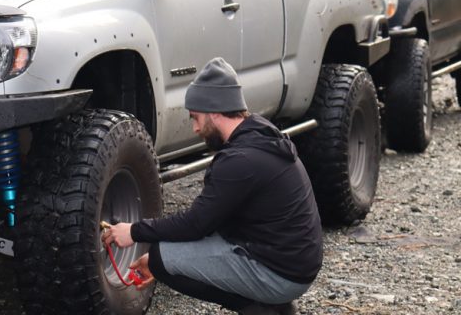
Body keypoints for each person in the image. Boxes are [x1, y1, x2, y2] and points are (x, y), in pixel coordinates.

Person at [102, 57, 323, 315]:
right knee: (165, 256)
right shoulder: (260, 135)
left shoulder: (239, 161)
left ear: (214, 111)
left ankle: (264, 308)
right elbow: (213, 222)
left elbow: (196, 224)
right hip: (293, 264)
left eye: (196, 117)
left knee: (162, 258)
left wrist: (134, 232)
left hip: (282, 274)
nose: (195, 128)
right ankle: (277, 306)